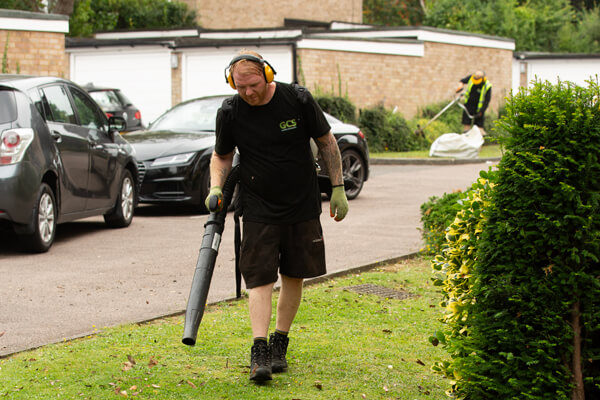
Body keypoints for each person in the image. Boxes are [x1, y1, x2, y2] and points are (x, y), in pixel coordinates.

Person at [205, 50, 349, 383]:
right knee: (259, 278)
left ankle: (279, 343)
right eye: (240, 87)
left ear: (268, 75)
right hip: (257, 205)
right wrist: (216, 187)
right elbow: (222, 156)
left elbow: (326, 142)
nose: (248, 93)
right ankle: (259, 352)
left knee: (294, 274)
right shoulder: (230, 112)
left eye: (253, 85)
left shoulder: (297, 100)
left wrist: (338, 187)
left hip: (301, 202)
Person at [455, 70, 492, 135]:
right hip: (468, 106)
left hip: (479, 109)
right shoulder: (471, 78)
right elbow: (462, 81)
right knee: (466, 126)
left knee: (479, 128)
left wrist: (481, 111)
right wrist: (460, 86)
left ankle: (482, 140)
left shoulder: (487, 85)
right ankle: (466, 139)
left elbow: (487, 100)